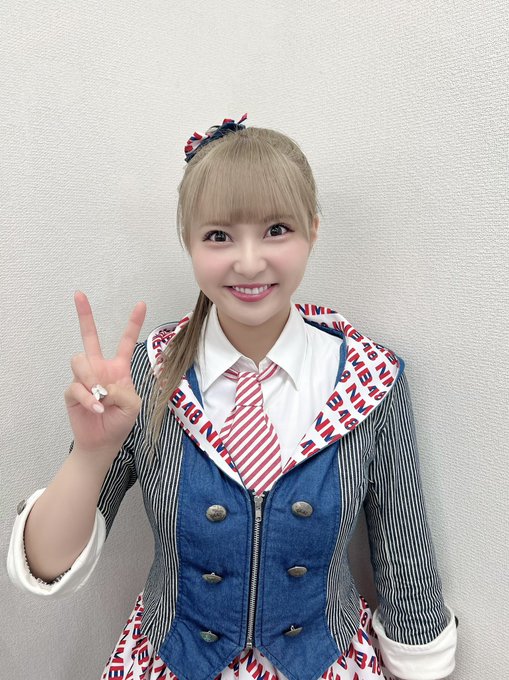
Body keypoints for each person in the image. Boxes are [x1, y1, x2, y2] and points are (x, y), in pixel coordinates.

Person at [7, 114, 457, 680]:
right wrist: (92, 452)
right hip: (169, 662)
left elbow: (406, 560)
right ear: (189, 242)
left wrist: (421, 663)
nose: (248, 262)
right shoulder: (146, 376)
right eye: (219, 236)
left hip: (327, 663)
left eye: (277, 230)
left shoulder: (370, 380)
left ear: (313, 230)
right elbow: (47, 566)